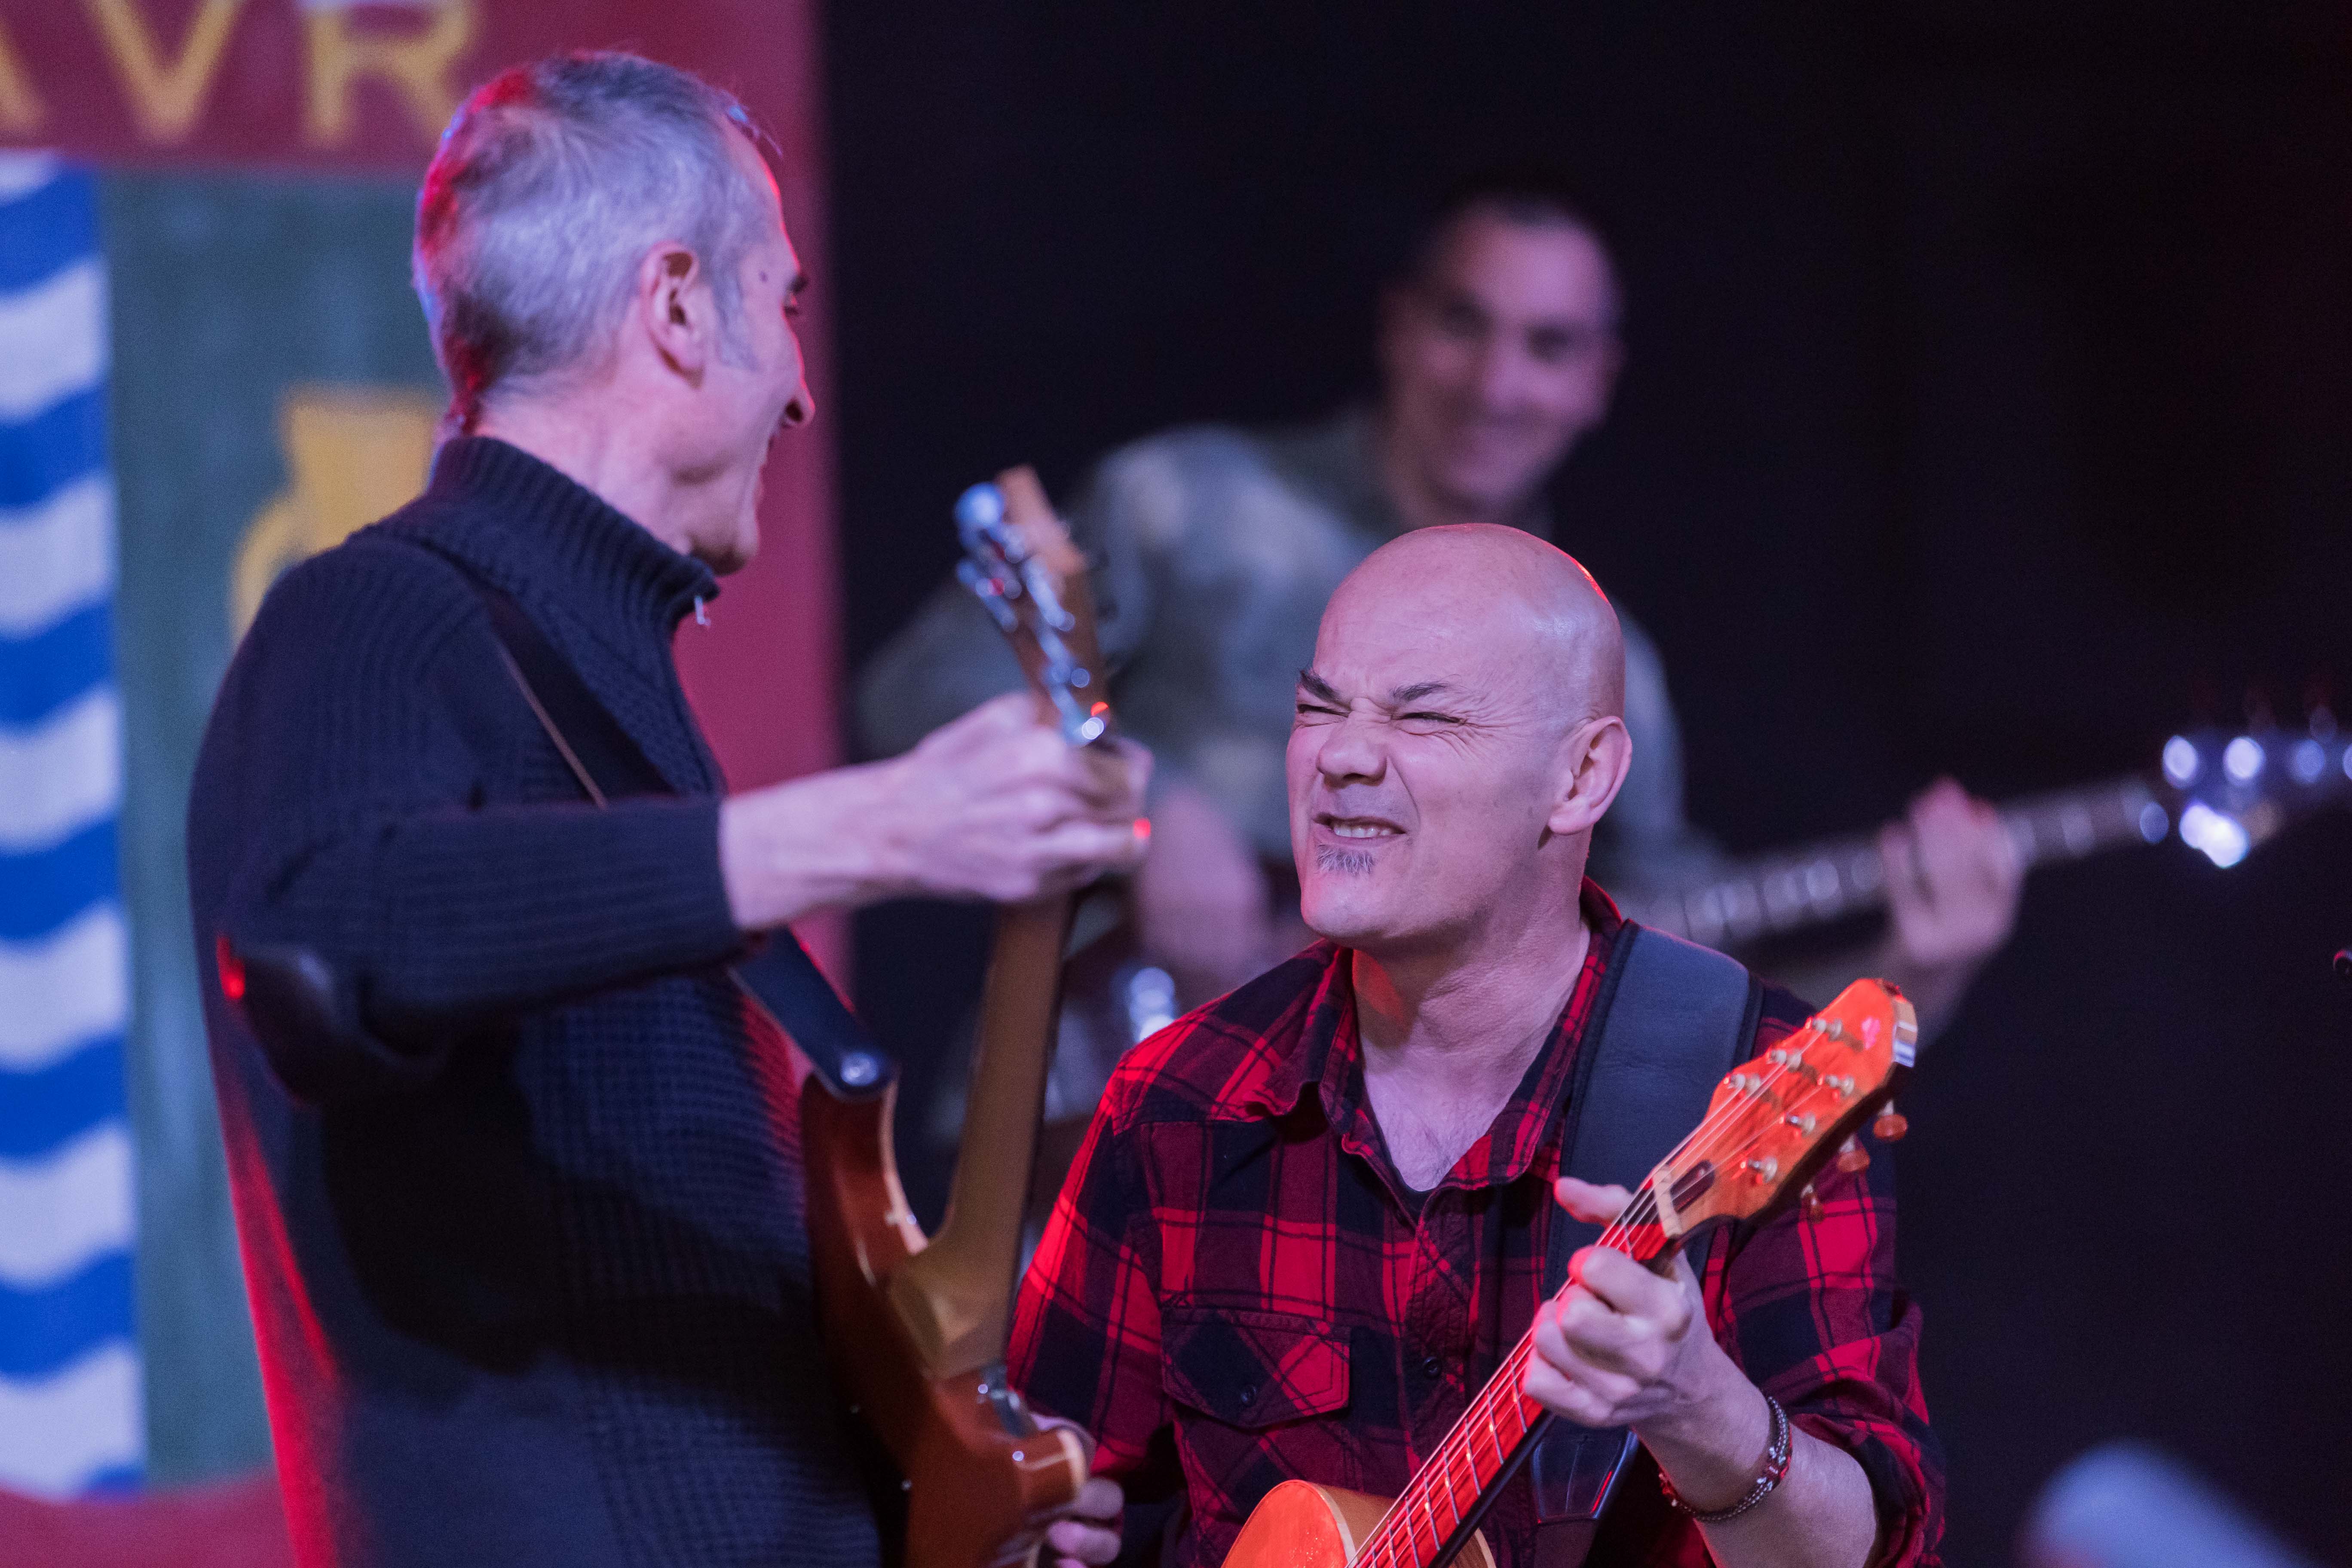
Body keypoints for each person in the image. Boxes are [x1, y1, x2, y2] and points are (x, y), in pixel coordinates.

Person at [187, 55, 1134, 1568]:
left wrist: (937, 1506)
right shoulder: (373, 611)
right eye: (790, 305)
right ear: (681, 307)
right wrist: (876, 825)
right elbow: (325, 928)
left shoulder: (599, 695)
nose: (807, 387)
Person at [858, 171, 2020, 1036]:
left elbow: (1671, 1011)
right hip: (1083, 1111)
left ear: (1597, 382)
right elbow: (917, 692)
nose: (1497, 384)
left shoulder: (1610, 662)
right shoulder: (1189, 497)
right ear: (1401, 327)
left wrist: (1914, 977)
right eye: (1465, 324)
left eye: (1549, 346)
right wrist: (1139, 796)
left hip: (1350, 1236)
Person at [1011, 526, 1941, 1568]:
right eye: (1319, 707)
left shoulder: (1744, 1084)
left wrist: (1701, 1410)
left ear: (1583, 776)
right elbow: (1038, 1490)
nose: (1342, 756)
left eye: (1425, 716)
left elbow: (1863, 1557)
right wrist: (1023, 1526)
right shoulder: (1180, 1098)